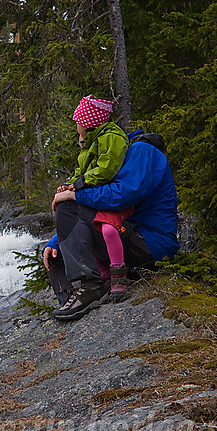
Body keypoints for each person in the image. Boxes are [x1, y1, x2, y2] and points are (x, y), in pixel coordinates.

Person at [42, 127, 179, 321]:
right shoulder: (112, 158)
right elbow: (98, 214)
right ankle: (72, 299)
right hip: (127, 237)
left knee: (67, 206)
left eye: (84, 137)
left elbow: (122, 197)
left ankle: (89, 289)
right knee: (57, 254)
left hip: (150, 243)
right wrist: (55, 242)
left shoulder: (141, 151)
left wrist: (74, 194)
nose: (81, 143)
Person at [58, 95, 132, 300]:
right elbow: (83, 170)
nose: (76, 127)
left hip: (109, 196)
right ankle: (104, 275)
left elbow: (107, 169)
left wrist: (78, 185)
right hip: (96, 195)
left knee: (107, 229)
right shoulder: (92, 141)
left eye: (78, 123)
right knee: (88, 231)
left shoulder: (111, 137)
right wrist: (69, 184)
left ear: (89, 123)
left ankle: (118, 275)